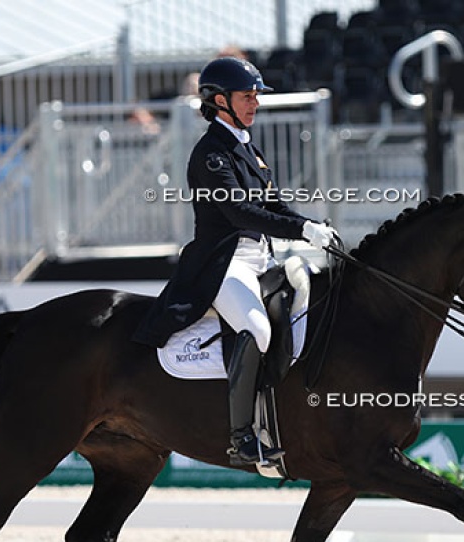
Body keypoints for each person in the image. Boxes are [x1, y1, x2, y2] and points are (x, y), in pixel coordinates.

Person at [132, 57, 337, 466]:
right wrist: (301, 230)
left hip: (262, 260)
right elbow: (241, 213)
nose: (255, 103)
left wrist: (313, 227)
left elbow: (273, 205)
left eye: (256, 96)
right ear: (220, 101)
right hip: (225, 264)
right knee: (257, 329)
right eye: (247, 96)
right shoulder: (211, 154)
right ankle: (241, 438)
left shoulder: (248, 148)